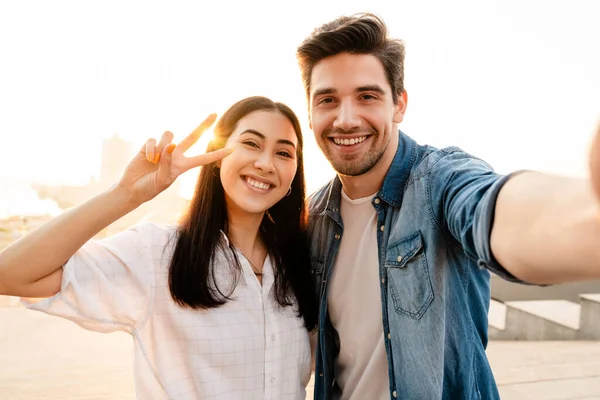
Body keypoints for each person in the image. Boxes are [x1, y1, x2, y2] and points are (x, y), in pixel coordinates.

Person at [296, 13, 600, 400]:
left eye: (367, 96)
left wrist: (587, 219)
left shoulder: (439, 181)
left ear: (399, 104)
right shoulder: (315, 218)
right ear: (309, 112)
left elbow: (492, 210)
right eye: (327, 100)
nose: (346, 118)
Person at [0, 96, 318, 400]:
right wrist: (126, 194)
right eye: (251, 143)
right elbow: (9, 274)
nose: (265, 163)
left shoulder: (304, 266)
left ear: (294, 175)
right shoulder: (160, 253)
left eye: (284, 153)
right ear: (217, 158)